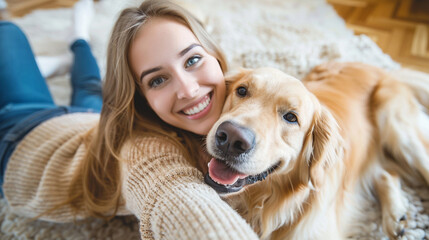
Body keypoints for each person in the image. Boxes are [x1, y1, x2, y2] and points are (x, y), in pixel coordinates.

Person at [0, 0, 258, 239]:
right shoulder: (141, 151)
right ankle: (66, 53)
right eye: (158, 79)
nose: (189, 90)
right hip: (20, 127)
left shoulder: (236, 92)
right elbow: (174, 195)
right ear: (141, 99)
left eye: (192, 59)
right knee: (7, 32)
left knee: (90, 87)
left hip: (89, 120)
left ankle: (77, 41)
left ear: (215, 56)